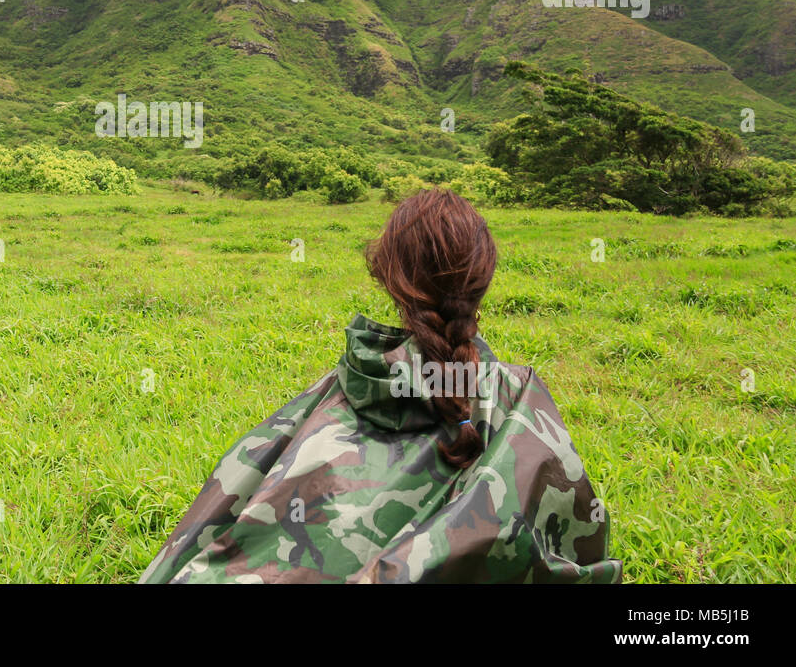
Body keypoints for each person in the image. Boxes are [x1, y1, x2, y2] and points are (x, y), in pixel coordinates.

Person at [140, 187, 621, 583]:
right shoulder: (516, 400)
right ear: (484, 278)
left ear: (388, 277)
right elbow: (574, 539)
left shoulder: (342, 387)